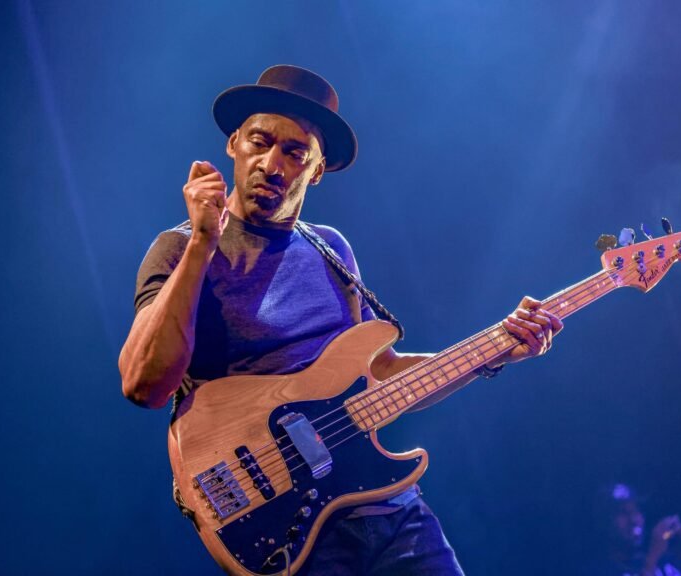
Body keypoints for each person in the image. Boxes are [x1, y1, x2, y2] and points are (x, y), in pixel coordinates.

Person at [118, 65, 564, 575]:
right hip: (290, 526)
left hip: (386, 508)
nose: (272, 164)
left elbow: (382, 374)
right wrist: (203, 242)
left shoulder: (330, 249)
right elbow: (144, 385)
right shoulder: (178, 248)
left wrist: (496, 349)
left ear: (316, 170)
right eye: (260, 142)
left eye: (295, 153)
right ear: (234, 143)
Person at [586, 483, 681, 576]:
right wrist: (654, 555)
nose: (634, 520)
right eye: (623, 513)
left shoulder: (661, 563)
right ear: (604, 522)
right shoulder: (597, 570)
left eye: (636, 511)